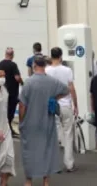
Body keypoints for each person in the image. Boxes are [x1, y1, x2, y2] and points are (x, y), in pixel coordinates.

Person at [19, 55, 69, 184]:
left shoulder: (28, 82)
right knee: (47, 151)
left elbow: (22, 105)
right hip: (47, 122)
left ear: (34, 66)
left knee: (29, 151)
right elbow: (66, 90)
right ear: (45, 66)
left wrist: (21, 121)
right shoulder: (52, 81)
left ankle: (28, 180)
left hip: (30, 121)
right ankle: (46, 181)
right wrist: (55, 98)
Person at [46, 47, 78, 171]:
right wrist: (76, 105)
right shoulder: (67, 70)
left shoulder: (47, 71)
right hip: (65, 105)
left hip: (51, 105)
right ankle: (69, 164)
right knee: (68, 134)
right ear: (61, 56)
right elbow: (71, 88)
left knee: (53, 136)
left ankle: (53, 165)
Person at [0, 48, 23, 136]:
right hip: (12, 92)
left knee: (3, 110)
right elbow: (17, 78)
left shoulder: (0, 64)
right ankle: (8, 129)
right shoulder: (13, 65)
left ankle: (3, 128)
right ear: (12, 55)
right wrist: (22, 83)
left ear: (5, 54)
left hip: (1, 91)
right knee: (10, 111)